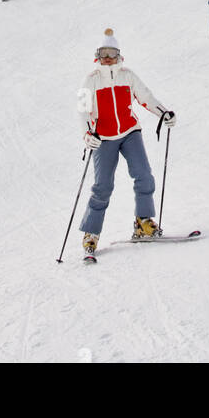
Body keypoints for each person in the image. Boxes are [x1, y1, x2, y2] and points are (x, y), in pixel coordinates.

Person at [77, 29, 175, 256]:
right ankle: (90, 234)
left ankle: (143, 222)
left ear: (119, 54)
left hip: (130, 132)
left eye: (112, 52)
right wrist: (87, 134)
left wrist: (163, 113)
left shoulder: (127, 75)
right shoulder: (90, 80)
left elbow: (145, 97)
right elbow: (82, 111)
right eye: (104, 53)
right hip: (104, 138)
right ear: (97, 56)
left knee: (144, 175)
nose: (108, 57)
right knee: (102, 187)